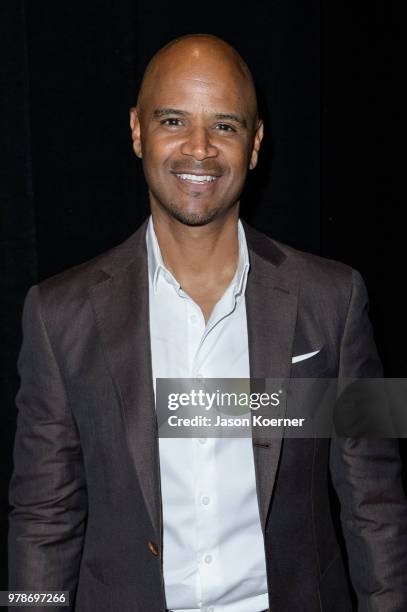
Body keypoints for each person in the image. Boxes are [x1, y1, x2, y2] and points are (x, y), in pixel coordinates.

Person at [8, 33, 407, 612]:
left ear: (255, 143)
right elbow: (41, 520)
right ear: (137, 130)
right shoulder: (56, 315)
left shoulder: (337, 299)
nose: (199, 150)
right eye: (173, 121)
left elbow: (377, 503)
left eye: (224, 125)